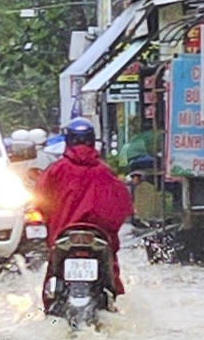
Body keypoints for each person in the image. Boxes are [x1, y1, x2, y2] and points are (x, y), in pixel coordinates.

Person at [33, 118, 133, 293]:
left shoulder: (55, 170)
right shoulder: (104, 171)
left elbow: (39, 200)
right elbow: (122, 205)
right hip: (98, 236)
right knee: (112, 283)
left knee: (52, 278)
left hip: (63, 235)